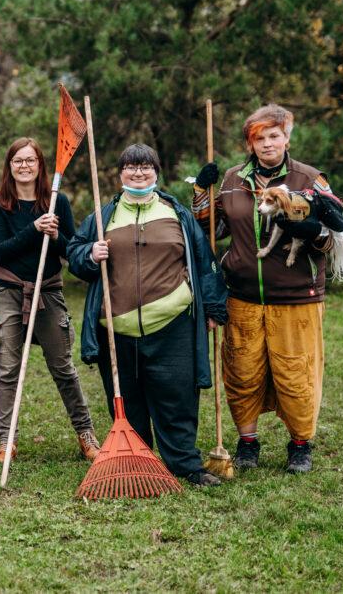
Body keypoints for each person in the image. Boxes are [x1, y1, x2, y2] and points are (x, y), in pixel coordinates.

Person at [192, 103, 342, 474]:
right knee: (242, 371)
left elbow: (337, 236)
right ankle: (247, 444)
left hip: (296, 296)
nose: (267, 143)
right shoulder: (232, 180)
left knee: (296, 372)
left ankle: (300, 445)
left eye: (274, 135)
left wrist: (313, 232)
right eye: (259, 137)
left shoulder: (310, 179)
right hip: (242, 295)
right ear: (250, 142)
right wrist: (200, 190)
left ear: (287, 137)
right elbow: (210, 229)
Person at [68, 143, 228, 487]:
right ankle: (136, 458)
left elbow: (204, 261)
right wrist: (89, 253)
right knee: (127, 398)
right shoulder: (102, 216)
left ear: (157, 172)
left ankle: (186, 464)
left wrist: (214, 307)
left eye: (145, 167)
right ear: (119, 173)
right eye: (130, 167)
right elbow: (74, 254)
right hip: (117, 328)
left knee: (176, 397)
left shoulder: (177, 213)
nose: (138, 173)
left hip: (172, 325)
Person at [0, 137, 100, 464]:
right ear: (9, 166)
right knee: (8, 368)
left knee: (63, 367)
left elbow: (71, 249)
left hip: (47, 290)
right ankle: (7, 442)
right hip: (6, 291)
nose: (24, 166)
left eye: (30, 160)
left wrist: (54, 234)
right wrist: (34, 229)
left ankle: (86, 435)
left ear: (40, 165)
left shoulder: (56, 202)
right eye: (17, 161)